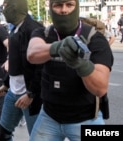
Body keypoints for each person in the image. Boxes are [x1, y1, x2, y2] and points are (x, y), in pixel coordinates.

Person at [27, 0, 114, 140]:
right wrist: (57, 47)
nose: (64, 10)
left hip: (86, 119)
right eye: (58, 5)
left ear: (77, 7)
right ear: (50, 8)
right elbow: (32, 54)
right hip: (49, 117)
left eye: (69, 5)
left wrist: (81, 64)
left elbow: (100, 88)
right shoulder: (44, 32)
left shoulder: (95, 38)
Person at [0, 0, 44, 140]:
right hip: (13, 92)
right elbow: (16, 62)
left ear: (15, 7)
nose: (4, 10)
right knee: (1, 133)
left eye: (6, 6)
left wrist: (31, 94)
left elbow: (41, 66)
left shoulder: (35, 29)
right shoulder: (14, 28)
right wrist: (7, 83)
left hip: (30, 95)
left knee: (37, 137)